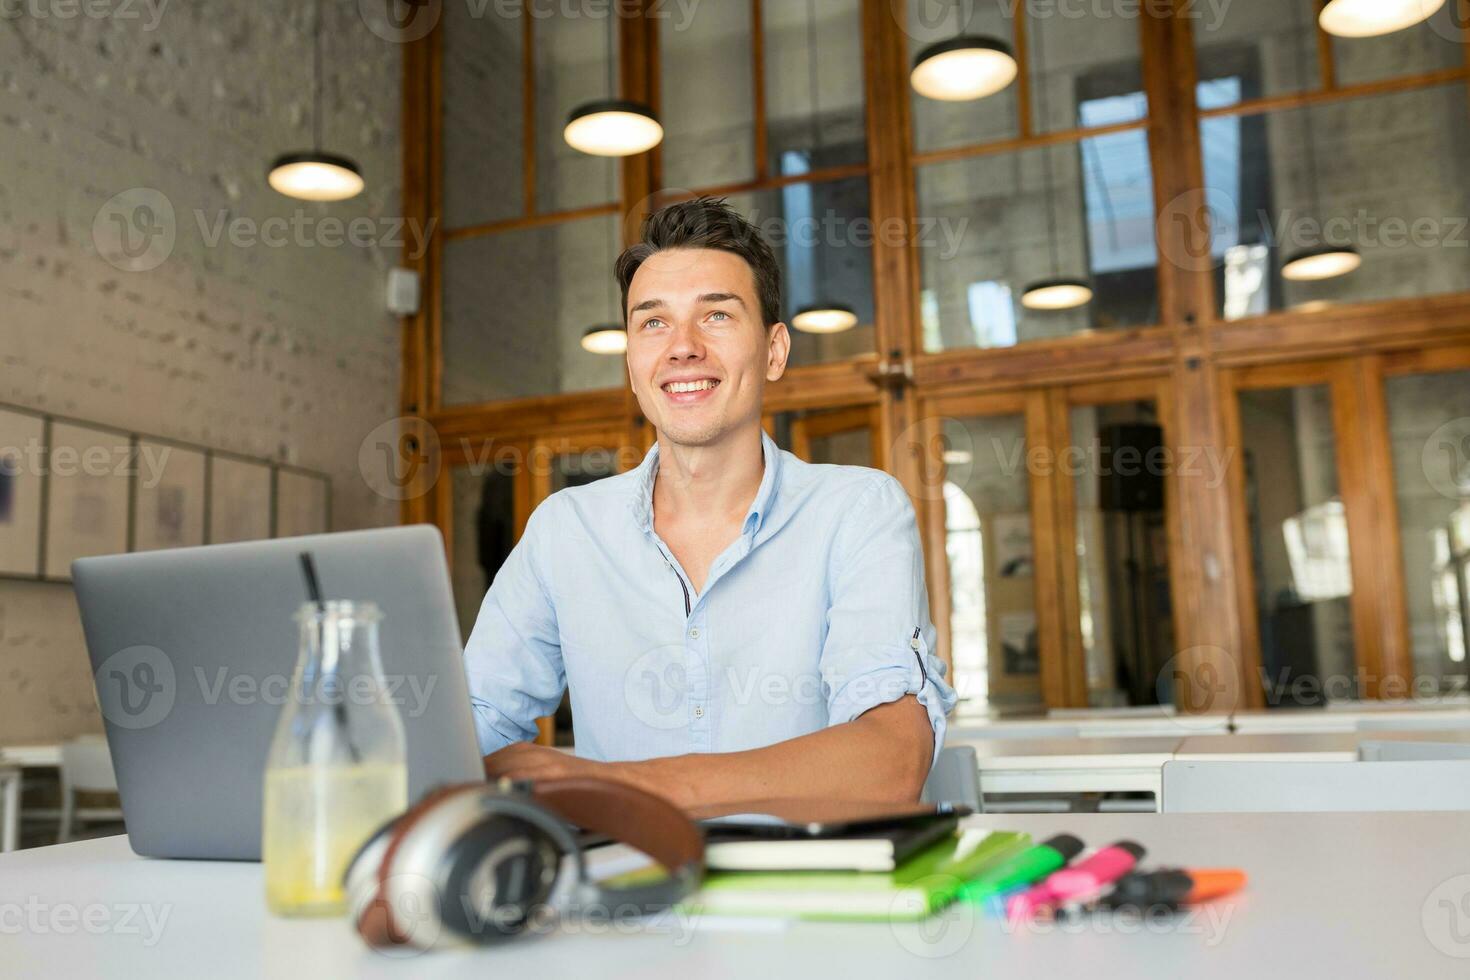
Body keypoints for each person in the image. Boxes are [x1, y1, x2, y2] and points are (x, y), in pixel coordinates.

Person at [464, 197, 955, 808]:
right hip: (624, 897)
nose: (682, 347)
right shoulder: (565, 530)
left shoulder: (856, 512)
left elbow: (891, 759)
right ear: (633, 367)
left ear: (775, 351)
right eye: (653, 322)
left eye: (716, 316)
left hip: (804, 894)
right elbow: (469, 728)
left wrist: (626, 785)